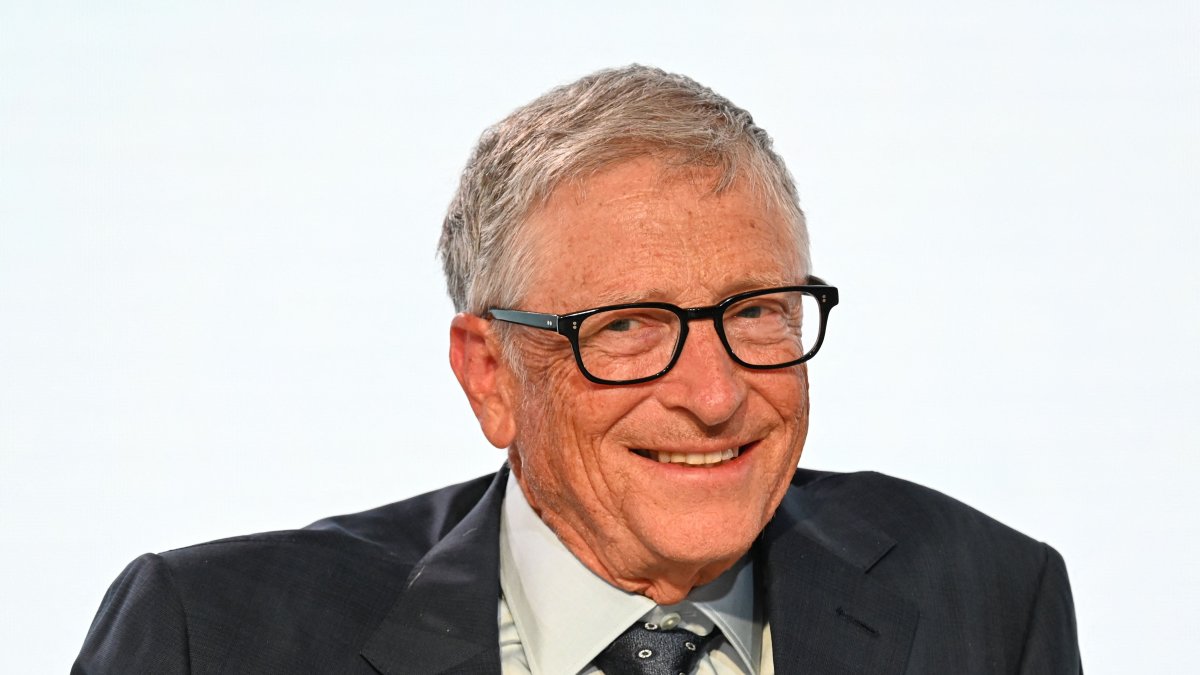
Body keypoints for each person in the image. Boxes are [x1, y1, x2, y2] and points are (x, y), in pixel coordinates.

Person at [73, 65, 1081, 674]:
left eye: (755, 312)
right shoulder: (215, 639)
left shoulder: (987, 598)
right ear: (490, 375)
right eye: (630, 327)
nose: (716, 395)